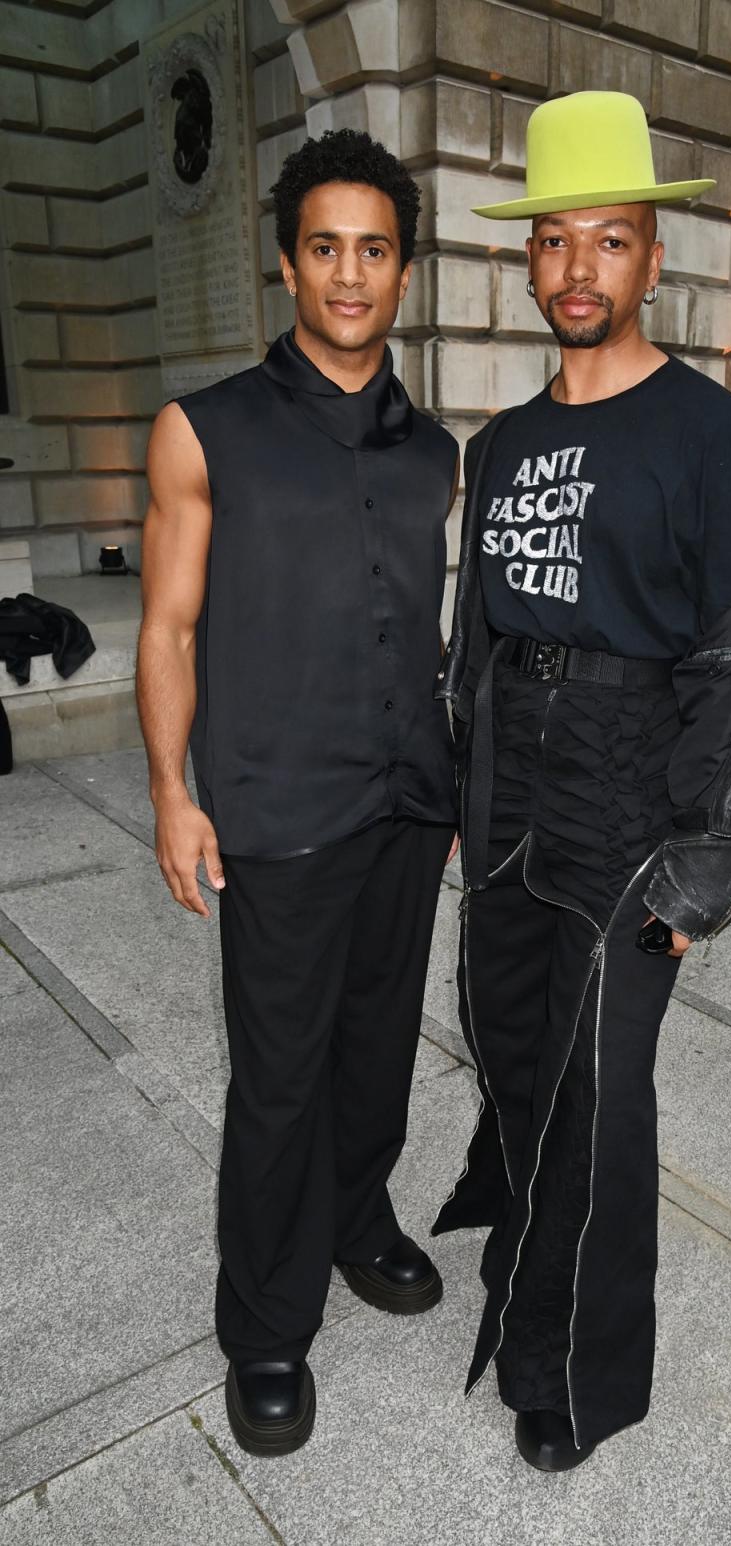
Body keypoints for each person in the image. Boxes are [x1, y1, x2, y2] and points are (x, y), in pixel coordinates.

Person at [432, 91, 731, 1472]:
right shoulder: (505, 448)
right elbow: (473, 645)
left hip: (632, 806)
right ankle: (524, 1281)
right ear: (526, 264)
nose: (577, 270)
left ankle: (570, 1375)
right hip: (514, 806)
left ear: (655, 259)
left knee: (603, 1095)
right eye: (554, 244)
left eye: (610, 241)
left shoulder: (711, 438)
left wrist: (702, 872)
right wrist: (463, 809)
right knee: (520, 1063)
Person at [136, 129, 459, 1458]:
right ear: (287, 263)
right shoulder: (203, 430)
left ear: (403, 271)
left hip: (409, 802)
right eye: (324, 246)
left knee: (380, 1047)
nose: (348, 272)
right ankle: (266, 1322)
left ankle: (358, 1215)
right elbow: (164, 628)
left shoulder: (437, 449)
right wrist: (171, 788)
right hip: (277, 810)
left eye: (373, 249)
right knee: (278, 1079)